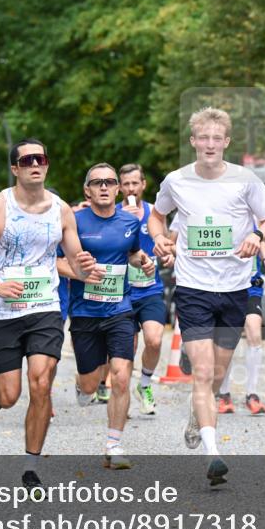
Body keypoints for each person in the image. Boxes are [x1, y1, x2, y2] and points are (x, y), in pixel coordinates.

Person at [148, 107, 265, 486]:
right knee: (203, 372)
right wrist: (159, 237)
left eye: (215, 138)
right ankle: (212, 453)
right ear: (193, 141)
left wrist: (258, 235)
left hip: (235, 289)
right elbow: (157, 217)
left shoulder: (246, 180)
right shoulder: (177, 181)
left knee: (218, 373)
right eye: (202, 138)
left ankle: (198, 414)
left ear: (226, 142)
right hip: (193, 289)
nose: (209, 144)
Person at [0, 139, 97, 489]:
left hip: (45, 307)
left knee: (41, 380)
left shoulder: (62, 210)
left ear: (47, 165)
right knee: (9, 397)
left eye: (41, 158)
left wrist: (85, 267)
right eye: (27, 159)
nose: (35, 164)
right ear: (15, 168)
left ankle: (31, 466)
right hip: (3, 311)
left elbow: (73, 259)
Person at [60, 163, 155, 470]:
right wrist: (80, 273)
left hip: (120, 310)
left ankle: (114, 443)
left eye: (109, 182)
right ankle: (82, 385)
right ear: (87, 190)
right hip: (85, 313)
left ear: (117, 189)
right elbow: (55, 261)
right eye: (97, 182)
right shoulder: (74, 221)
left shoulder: (128, 222)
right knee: (90, 386)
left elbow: (132, 254)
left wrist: (144, 262)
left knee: (122, 375)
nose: (104, 187)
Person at [118, 163, 167, 415]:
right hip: (122, 292)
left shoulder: (155, 214)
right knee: (128, 348)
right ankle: (122, 395)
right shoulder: (114, 213)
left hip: (150, 289)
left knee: (155, 340)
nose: (130, 188)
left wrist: (168, 256)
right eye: (125, 184)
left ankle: (145, 384)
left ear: (143, 185)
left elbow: (165, 244)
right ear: (119, 187)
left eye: (134, 183)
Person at [215, 241, 265, 414]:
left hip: (251, 287)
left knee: (254, 334)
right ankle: (224, 394)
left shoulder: (255, 217)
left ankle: (252, 394)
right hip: (228, 285)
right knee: (227, 340)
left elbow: (262, 238)